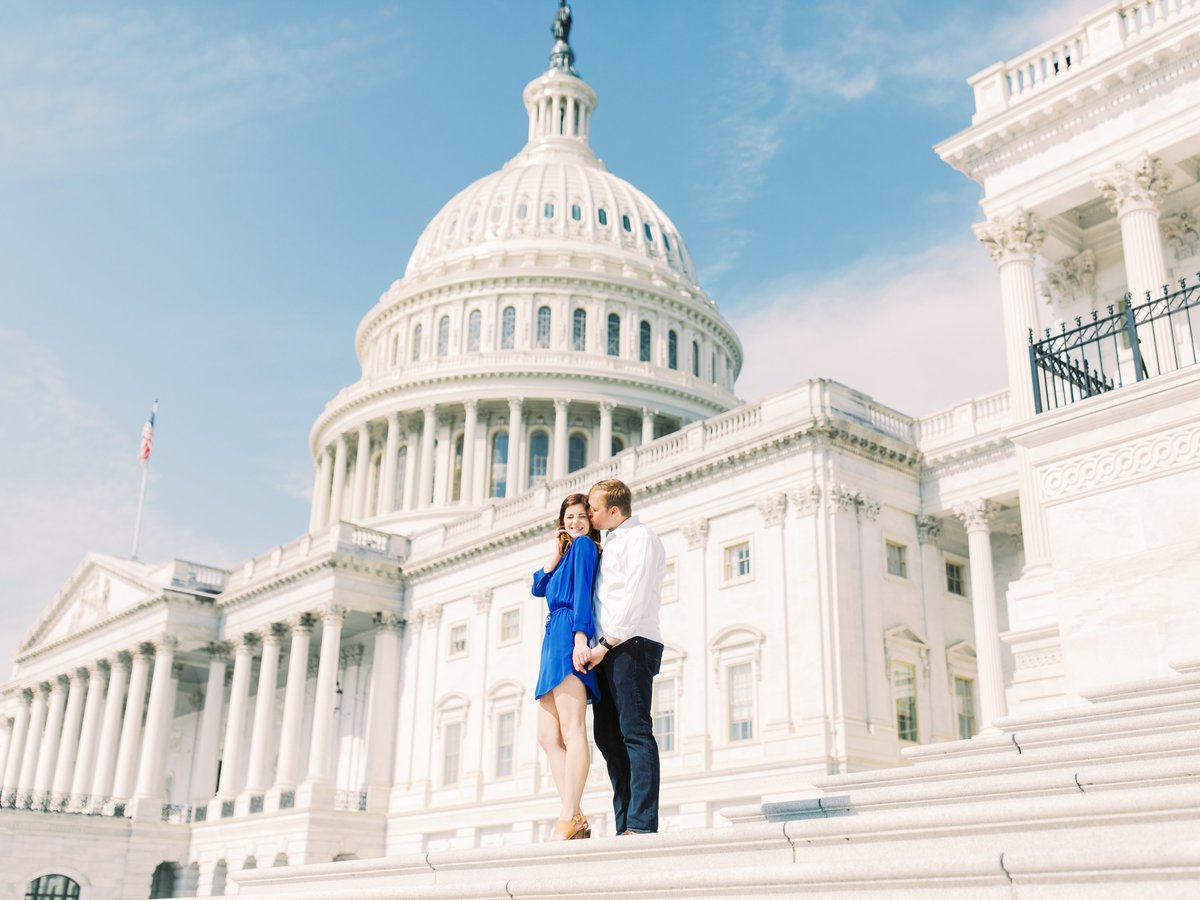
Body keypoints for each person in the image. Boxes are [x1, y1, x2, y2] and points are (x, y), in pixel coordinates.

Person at [585, 478, 666, 835]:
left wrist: (606, 643)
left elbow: (635, 595)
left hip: (629, 644)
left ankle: (642, 823)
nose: (589, 513)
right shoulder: (607, 543)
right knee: (607, 738)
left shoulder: (641, 539)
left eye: (594, 508)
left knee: (635, 733)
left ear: (613, 511)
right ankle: (624, 823)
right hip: (604, 649)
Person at [532, 492, 602, 840]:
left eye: (581, 517)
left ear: (590, 522)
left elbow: (582, 595)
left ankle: (567, 816)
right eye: (569, 516)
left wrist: (580, 638)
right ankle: (573, 813)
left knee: (573, 730)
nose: (575, 522)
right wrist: (557, 550)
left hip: (568, 633)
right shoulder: (567, 553)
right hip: (551, 638)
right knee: (547, 737)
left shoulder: (586, 548)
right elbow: (537, 587)